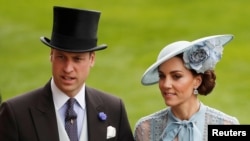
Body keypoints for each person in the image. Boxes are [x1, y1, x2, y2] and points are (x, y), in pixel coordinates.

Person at [0, 6, 134, 141]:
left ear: (92, 59)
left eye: (77, 59)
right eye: (61, 57)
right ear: (51, 55)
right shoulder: (16, 113)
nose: (68, 68)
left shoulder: (114, 109)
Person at [134, 34, 239, 141]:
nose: (166, 84)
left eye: (176, 76)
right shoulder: (145, 128)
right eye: (162, 76)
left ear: (197, 81)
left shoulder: (227, 126)